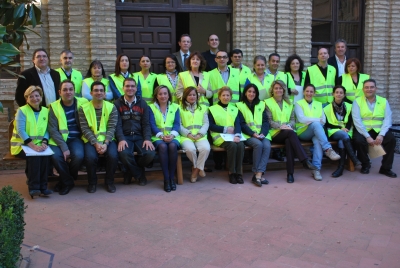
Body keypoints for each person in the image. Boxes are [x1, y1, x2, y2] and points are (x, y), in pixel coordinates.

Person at [264, 80, 317, 183]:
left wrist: (288, 126)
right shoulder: (267, 102)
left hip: (287, 132)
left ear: (284, 90)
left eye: (280, 88)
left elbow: (293, 119)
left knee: (289, 141)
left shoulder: (289, 103)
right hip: (275, 133)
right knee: (291, 133)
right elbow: (269, 121)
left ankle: (290, 174)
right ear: (272, 90)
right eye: (276, 88)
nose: (278, 90)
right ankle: (305, 160)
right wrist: (281, 126)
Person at [10, 86, 53, 198]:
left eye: (37, 95)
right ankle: (34, 188)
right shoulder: (22, 111)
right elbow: (20, 130)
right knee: (35, 157)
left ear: (41, 97)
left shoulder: (45, 111)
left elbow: (47, 129)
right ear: (27, 99)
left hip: (38, 145)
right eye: (31, 96)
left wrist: (45, 142)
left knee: (45, 156)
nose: (35, 98)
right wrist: (32, 146)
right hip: (21, 145)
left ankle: (43, 187)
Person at [48, 80, 88, 195]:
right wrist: (64, 147)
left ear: (74, 91)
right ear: (59, 92)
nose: (68, 92)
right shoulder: (53, 107)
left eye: (71, 89)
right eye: (65, 90)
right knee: (56, 156)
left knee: (79, 156)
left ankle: (64, 181)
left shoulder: (83, 103)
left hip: (76, 139)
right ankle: (68, 182)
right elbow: (53, 130)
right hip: (58, 140)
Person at [295, 84, 341, 181]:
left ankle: (316, 169)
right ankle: (328, 149)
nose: (309, 93)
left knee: (317, 140)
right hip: (303, 132)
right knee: (316, 124)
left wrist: (311, 120)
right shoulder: (298, 103)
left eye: (311, 91)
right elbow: (301, 118)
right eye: (307, 91)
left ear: (314, 93)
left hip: (315, 132)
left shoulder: (319, 104)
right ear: (303, 92)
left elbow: (323, 120)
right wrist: (316, 120)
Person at [79, 81, 119, 193]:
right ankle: (92, 183)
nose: (99, 92)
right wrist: (96, 143)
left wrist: (105, 143)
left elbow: (112, 127)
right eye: (96, 90)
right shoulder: (83, 108)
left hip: (108, 140)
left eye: (101, 90)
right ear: (91, 93)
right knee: (90, 158)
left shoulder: (112, 107)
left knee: (113, 156)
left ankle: (109, 182)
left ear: (105, 93)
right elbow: (85, 128)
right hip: (90, 141)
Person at [115, 78, 156, 186]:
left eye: (132, 86)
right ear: (123, 88)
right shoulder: (117, 104)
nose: (130, 88)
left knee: (150, 154)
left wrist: (147, 139)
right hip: (125, 136)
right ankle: (139, 174)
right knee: (124, 154)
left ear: (136, 88)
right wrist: (121, 139)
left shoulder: (143, 104)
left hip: (139, 136)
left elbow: (146, 124)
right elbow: (117, 125)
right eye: (127, 86)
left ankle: (129, 171)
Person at [352, 79, 397, 178]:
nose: (369, 89)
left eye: (372, 87)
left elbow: (388, 119)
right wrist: (367, 136)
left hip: (379, 130)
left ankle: (385, 168)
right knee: (358, 141)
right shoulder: (357, 102)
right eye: (366, 87)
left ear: (376, 88)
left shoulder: (383, 101)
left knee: (391, 140)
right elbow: (357, 121)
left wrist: (381, 134)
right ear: (363, 89)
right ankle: (365, 164)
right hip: (364, 130)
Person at [208, 86, 245, 184]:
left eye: (228, 95)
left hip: (233, 136)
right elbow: (211, 125)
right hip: (219, 137)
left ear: (231, 97)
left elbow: (238, 123)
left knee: (241, 145)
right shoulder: (212, 109)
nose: (226, 97)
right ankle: (232, 173)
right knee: (232, 146)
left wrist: (237, 135)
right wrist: (225, 129)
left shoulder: (235, 109)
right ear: (219, 97)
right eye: (223, 95)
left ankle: (239, 173)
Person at [237, 84, 271, 186]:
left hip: (261, 134)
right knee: (258, 145)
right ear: (245, 93)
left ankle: (258, 174)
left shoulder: (261, 104)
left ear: (256, 94)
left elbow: (265, 121)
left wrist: (263, 133)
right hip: (248, 135)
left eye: (254, 92)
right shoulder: (239, 105)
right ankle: (257, 173)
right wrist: (252, 133)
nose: (251, 94)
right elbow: (241, 124)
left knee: (267, 145)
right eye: (249, 91)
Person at [324, 85, 361, 177]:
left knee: (342, 140)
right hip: (333, 131)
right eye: (337, 92)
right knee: (343, 136)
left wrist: (346, 129)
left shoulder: (349, 106)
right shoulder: (326, 108)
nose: (339, 94)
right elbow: (327, 123)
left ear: (344, 95)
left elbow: (350, 120)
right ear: (333, 94)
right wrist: (340, 128)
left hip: (347, 131)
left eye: (341, 93)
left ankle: (340, 168)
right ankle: (354, 158)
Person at [149, 86, 181, 192]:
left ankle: (172, 178)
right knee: (162, 146)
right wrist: (161, 136)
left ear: (168, 95)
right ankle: (166, 179)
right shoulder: (151, 107)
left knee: (172, 146)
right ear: (156, 96)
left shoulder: (175, 107)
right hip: (157, 137)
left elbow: (177, 124)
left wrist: (172, 135)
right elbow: (152, 125)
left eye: (165, 93)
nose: (163, 96)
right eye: (160, 94)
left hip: (173, 136)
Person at [179, 86, 210, 182]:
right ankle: (199, 168)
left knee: (206, 148)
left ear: (197, 96)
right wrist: (188, 134)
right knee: (190, 149)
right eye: (189, 95)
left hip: (200, 136)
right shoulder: (179, 108)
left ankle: (195, 171)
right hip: (186, 136)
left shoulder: (203, 108)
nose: (192, 97)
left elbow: (206, 123)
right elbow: (178, 124)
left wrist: (200, 134)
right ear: (185, 96)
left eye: (194, 95)